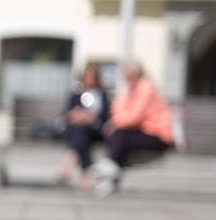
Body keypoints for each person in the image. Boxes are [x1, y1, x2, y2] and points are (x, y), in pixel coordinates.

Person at [92, 61, 174, 198]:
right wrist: (123, 96)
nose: (126, 79)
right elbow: (117, 111)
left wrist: (114, 123)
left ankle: (108, 168)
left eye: (129, 76)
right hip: (143, 131)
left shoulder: (145, 88)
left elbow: (134, 116)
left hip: (158, 134)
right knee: (116, 136)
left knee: (119, 135)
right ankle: (109, 175)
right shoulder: (131, 89)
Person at [57, 62, 109, 191]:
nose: (89, 80)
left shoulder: (101, 95)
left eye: (92, 77)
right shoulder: (76, 94)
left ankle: (69, 165)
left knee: (80, 134)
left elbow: (105, 116)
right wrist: (77, 116)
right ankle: (85, 173)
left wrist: (91, 117)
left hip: (95, 130)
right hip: (78, 130)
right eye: (87, 76)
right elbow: (67, 114)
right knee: (80, 133)